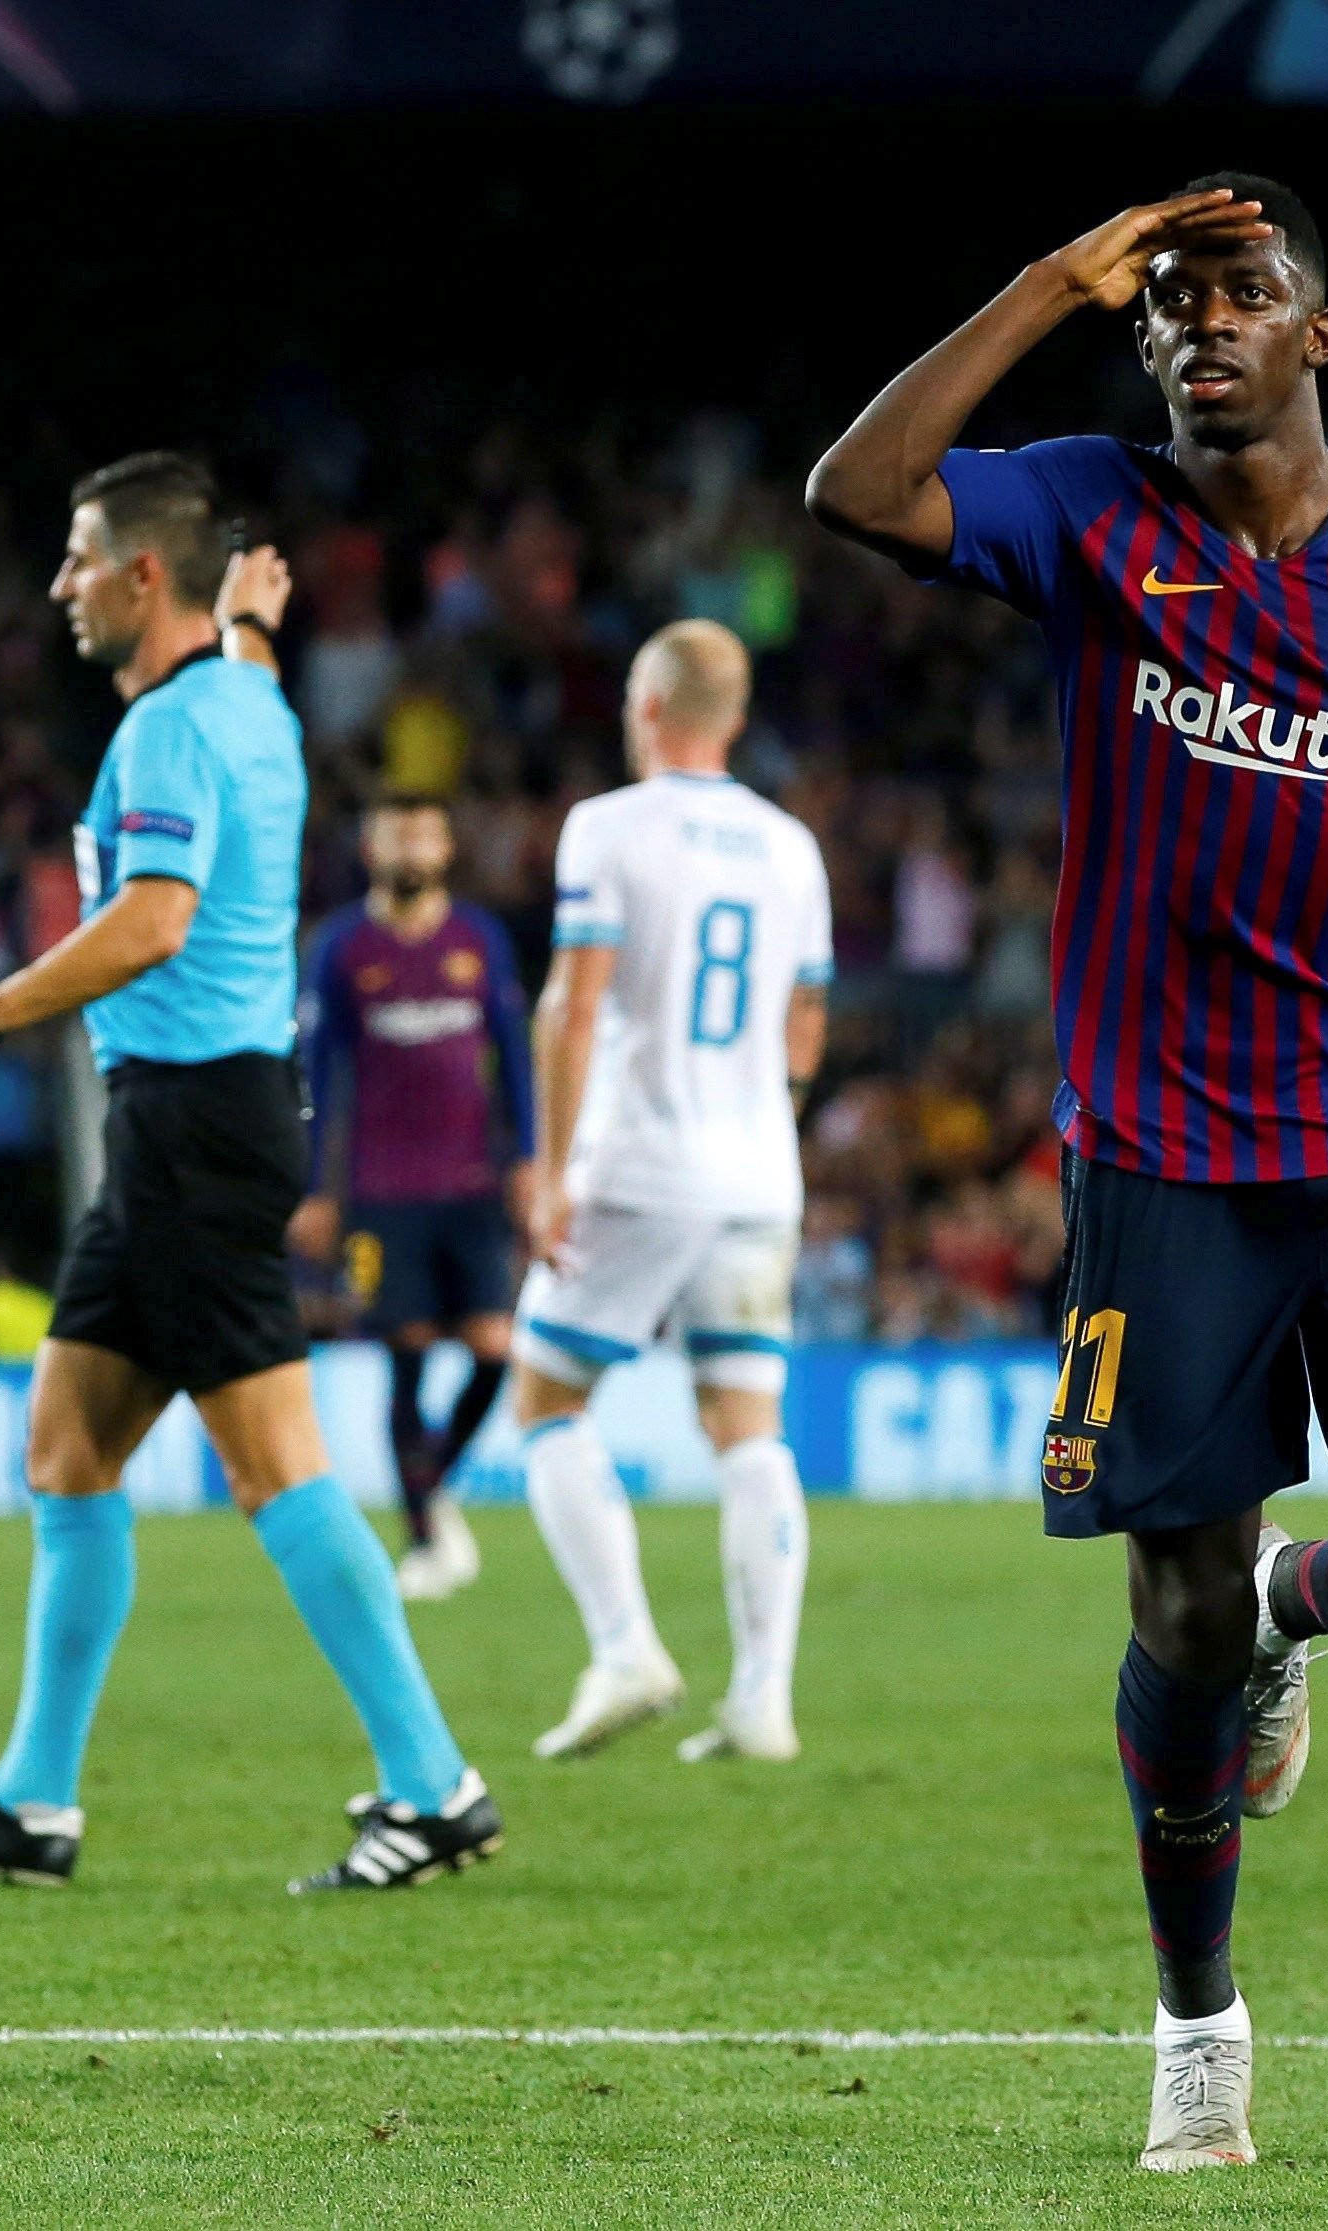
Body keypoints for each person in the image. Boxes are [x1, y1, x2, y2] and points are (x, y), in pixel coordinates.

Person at [809, 175, 1328, 2171]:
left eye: (1240, 293)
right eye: (1164, 306)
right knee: (1160, 1622)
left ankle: (1287, 1598)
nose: (1196, 325)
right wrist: (1041, 282)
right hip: (1158, 1160)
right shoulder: (1086, 508)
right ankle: (1195, 2022)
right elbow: (854, 483)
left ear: (1314, 333)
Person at [0, 452, 501, 1893]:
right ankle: (31, 1797)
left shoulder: (167, 732)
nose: (58, 584)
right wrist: (252, 621)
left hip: (196, 1128)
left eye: (79, 557)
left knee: (275, 1459)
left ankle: (432, 1781)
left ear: (147, 575)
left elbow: (150, 919)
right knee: (67, 1446)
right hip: (192, 1116)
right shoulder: (245, 701)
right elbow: (240, 689)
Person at [508, 620, 833, 1768]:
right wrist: (762, 1116)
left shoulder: (607, 828)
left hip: (642, 1164)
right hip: (757, 1170)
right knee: (747, 1427)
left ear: (645, 705)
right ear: (733, 717)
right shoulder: (792, 847)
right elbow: (804, 1024)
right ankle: (762, 1699)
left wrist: (550, 1169)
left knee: (543, 1399)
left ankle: (624, 1645)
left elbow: (573, 1006)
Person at [291, 793, 536, 1601]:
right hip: (380, 1190)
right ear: (370, 847)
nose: (411, 848)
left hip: (471, 1182)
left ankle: (431, 1481)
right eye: (397, 834)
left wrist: (529, 1159)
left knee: (495, 1349)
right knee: (408, 1355)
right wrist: (316, 1191)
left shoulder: (478, 939)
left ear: (446, 846)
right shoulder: (342, 947)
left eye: (425, 833)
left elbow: (516, 1059)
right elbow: (319, 1077)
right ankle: (425, 1537)